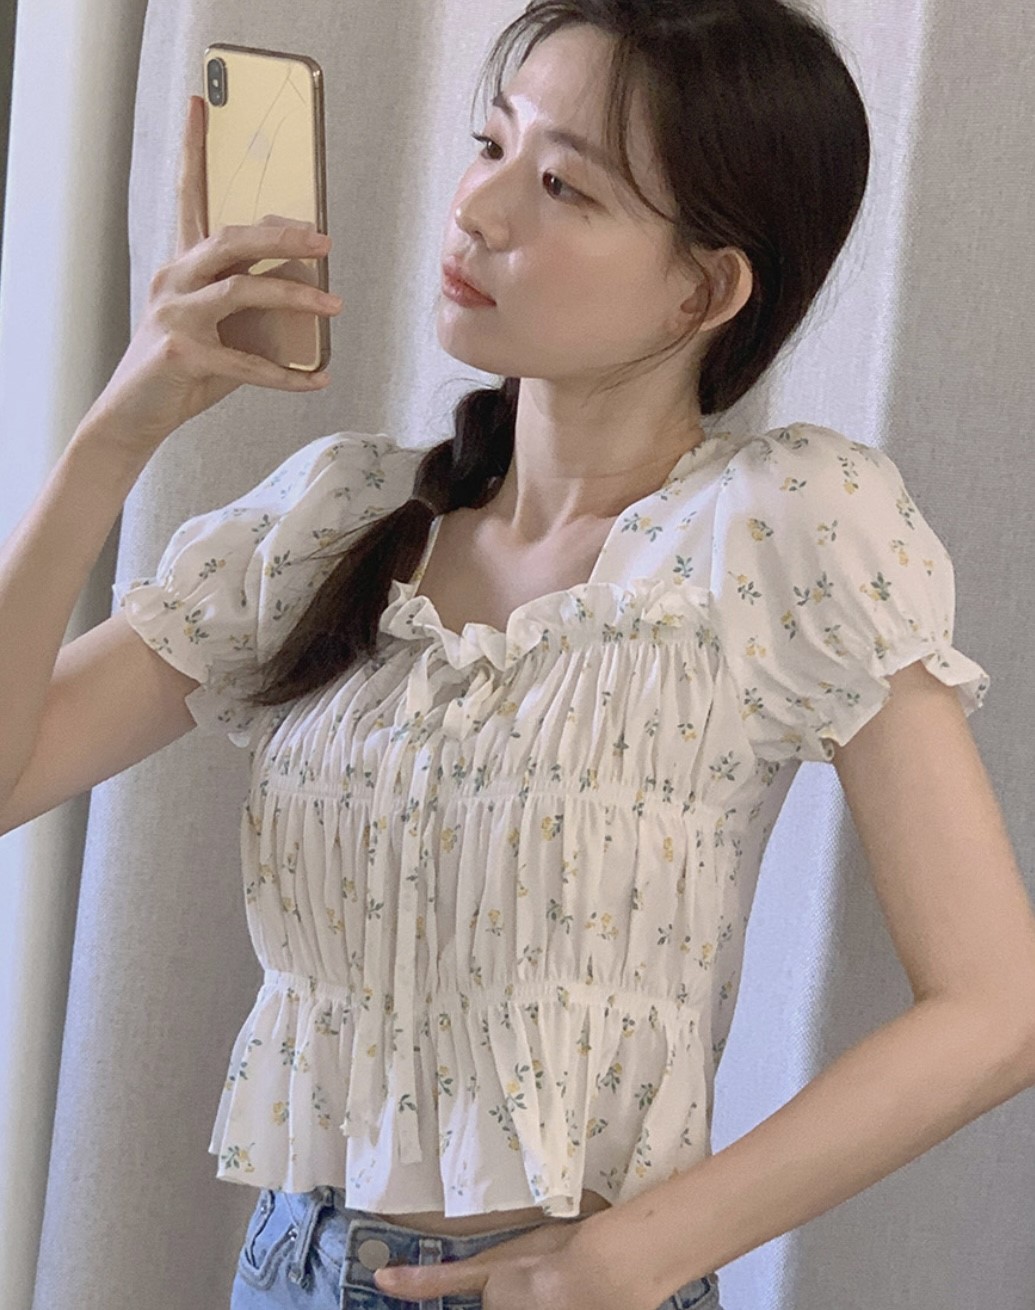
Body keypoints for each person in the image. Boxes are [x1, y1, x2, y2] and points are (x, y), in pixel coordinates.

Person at [5, 3, 1027, 1309]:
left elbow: (994, 1006)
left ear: (706, 289)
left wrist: (636, 1251)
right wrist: (117, 431)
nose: (477, 208)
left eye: (562, 187)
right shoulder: (336, 518)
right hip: (291, 1266)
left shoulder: (782, 528)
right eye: (492, 145)